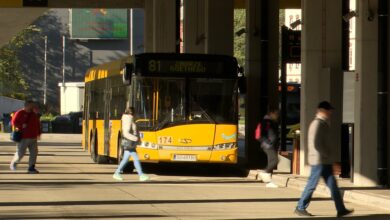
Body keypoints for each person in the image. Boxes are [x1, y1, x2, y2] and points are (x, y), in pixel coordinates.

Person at [295, 101, 354, 217]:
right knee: (312, 185)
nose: (330, 112)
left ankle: (341, 209)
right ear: (322, 110)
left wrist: (328, 158)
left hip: (323, 161)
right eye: (329, 110)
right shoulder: (317, 124)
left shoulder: (322, 123)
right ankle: (300, 207)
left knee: (333, 185)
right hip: (319, 161)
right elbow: (316, 144)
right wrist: (326, 154)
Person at [113, 107, 149, 181]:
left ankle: (117, 173)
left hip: (130, 142)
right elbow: (126, 132)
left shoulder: (129, 118)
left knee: (126, 159)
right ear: (132, 112)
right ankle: (141, 175)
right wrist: (135, 138)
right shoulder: (128, 119)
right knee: (136, 158)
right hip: (130, 142)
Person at [10, 100, 41, 174]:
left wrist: (39, 133)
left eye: (33, 106)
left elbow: (37, 124)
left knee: (34, 153)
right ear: (27, 105)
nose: (33, 107)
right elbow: (13, 122)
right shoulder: (20, 113)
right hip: (23, 137)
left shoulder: (34, 114)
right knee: (21, 152)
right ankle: (14, 162)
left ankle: (31, 167)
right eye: (31, 105)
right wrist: (21, 125)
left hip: (33, 137)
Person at [257, 109, 280, 188]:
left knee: (271, 161)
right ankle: (264, 172)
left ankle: (269, 182)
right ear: (271, 113)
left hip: (271, 145)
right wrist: (268, 142)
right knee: (275, 160)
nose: (277, 116)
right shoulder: (266, 122)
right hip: (268, 145)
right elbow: (261, 134)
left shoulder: (271, 122)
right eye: (276, 114)